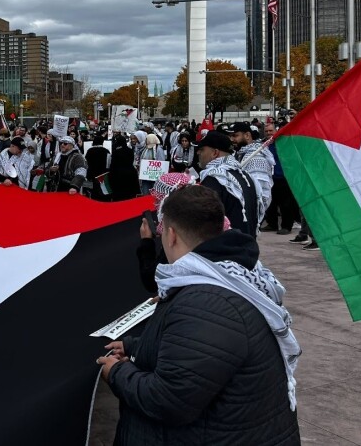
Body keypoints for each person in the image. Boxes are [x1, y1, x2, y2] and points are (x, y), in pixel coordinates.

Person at [98, 184, 300, 445]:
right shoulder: (228, 275)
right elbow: (199, 352)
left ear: (171, 235)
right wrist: (136, 347)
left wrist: (116, 373)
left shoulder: (207, 300)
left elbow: (170, 400)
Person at [196, 130, 260, 239]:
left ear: (215, 153)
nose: (198, 153)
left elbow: (204, 220)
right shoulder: (245, 175)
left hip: (225, 249)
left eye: (202, 149)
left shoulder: (215, 179)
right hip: (247, 247)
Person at [231, 122, 274, 223]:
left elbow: (262, 192)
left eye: (235, 135)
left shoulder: (256, 157)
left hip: (249, 213)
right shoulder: (240, 153)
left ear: (247, 135)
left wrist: (254, 214)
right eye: (231, 136)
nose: (232, 140)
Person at [108, 134, 140, 200]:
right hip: (130, 174)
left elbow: (113, 164)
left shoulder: (116, 152)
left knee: (119, 195)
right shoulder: (130, 151)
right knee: (129, 195)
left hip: (118, 175)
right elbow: (131, 161)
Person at [84, 135, 111, 200]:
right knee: (103, 192)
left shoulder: (89, 151)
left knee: (92, 192)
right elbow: (108, 164)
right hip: (103, 175)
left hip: (91, 174)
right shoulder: (106, 151)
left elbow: (86, 162)